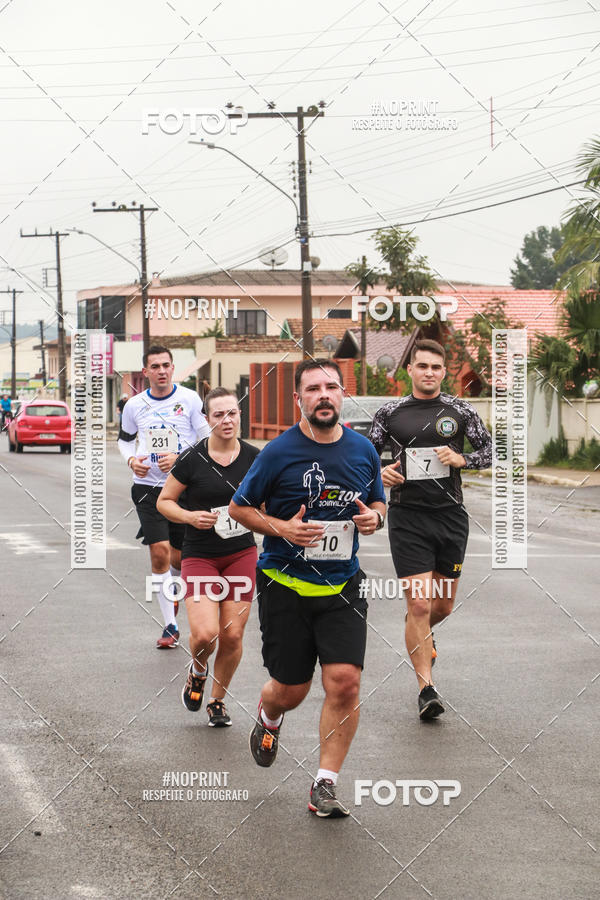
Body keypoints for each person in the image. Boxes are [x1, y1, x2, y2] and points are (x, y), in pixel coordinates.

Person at [229, 359, 386, 818]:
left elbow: (377, 502)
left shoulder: (362, 450)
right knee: (291, 689)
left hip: (343, 585)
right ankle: (269, 713)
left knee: (345, 682)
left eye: (331, 387)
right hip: (285, 583)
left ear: (342, 396)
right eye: (313, 388)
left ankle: (325, 783)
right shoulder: (278, 453)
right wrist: (281, 528)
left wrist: (375, 518)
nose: (324, 395)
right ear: (299, 399)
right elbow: (240, 510)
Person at [368, 339, 492, 720]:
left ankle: (420, 632)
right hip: (408, 518)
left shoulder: (460, 410)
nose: (429, 373)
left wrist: (462, 458)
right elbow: (365, 459)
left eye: (436, 368)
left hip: (450, 517)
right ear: (410, 369)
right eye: (422, 366)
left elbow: (490, 451)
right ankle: (427, 688)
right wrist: (380, 474)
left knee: (441, 606)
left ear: (443, 372)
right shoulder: (389, 413)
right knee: (419, 603)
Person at [157, 388, 260, 727]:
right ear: (206, 419)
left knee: (231, 635)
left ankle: (217, 700)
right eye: (218, 415)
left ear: (239, 415)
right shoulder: (192, 459)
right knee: (205, 635)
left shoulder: (256, 458)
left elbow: (268, 503)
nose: (226, 420)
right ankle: (198, 670)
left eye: (232, 413)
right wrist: (190, 517)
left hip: (241, 553)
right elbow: (165, 501)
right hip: (200, 554)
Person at [118, 345, 210, 648]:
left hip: (183, 488)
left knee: (179, 559)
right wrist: (132, 461)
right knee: (159, 550)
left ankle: (170, 595)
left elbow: (206, 438)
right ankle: (170, 625)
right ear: (145, 372)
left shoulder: (189, 399)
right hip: (147, 488)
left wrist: (181, 458)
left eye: (166, 365)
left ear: (173, 369)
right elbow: (125, 441)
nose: (161, 371)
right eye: (155, 366)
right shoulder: (134, 405)